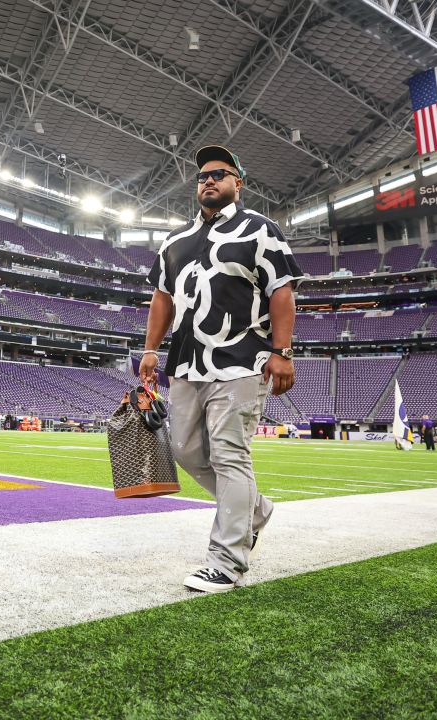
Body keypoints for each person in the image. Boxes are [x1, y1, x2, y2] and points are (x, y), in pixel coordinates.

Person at [140, 144, 303, 594]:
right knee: (185, 449)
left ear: (238, 183)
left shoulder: (260, 229)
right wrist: (151, 349)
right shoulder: (173, 242)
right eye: (202, 176)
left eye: (220, 173)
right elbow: (162, 299)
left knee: (230, 453)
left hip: (243, 357)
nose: (208, 180)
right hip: (186, 362)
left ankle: (227, 559)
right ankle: (255, 510)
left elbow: (282, 292)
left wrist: (283, 351)